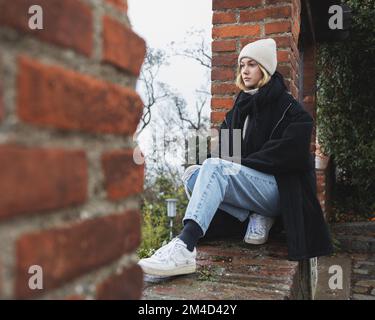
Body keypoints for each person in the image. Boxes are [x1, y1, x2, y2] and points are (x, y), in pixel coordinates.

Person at [138, 38, 334, 277]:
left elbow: (286, 157)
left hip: (278, 192)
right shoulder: (241, 108)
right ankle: (253, 215)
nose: (245, 70)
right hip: (250, 189)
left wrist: (231, 163)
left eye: (251, 64)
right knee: (193, 174)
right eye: (242, 65)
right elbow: (225, 153)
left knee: (215, 168)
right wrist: (218, 162)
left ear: (265, 68)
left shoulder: (292, 112)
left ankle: (185, 246)